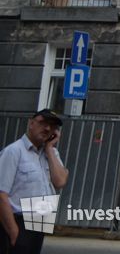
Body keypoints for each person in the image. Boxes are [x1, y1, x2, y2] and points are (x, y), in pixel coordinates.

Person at [0, 109, 69, 254]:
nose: (48, 128)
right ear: (31, 123)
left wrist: (49, 148)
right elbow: (1, 194)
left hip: (40, 223)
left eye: (53, 126)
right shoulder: (14, 151)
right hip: (18, 222)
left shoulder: (51, 153)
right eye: (43, 123)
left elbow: (60, 181)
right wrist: (13, 232)